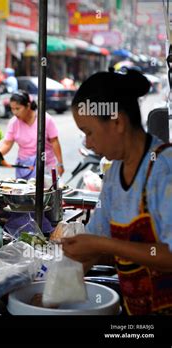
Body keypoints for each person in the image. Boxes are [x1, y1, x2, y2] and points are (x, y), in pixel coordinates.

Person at [61, 68, 172, 315]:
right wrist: (52, 298)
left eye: (89, 132)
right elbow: (93, 247)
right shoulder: (113, 174)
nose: (87, 143)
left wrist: (105, 245)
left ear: (118, 122)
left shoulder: (165, 168)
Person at [0, 90, 64, 179]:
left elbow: (54, 141)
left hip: (46, 166)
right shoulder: (13, 123)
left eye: (18, 108)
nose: (14, 112)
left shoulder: (45, 119)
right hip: (24, 167)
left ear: (28, 106)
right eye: (12, 109)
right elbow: (7, 144)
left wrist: (60, 164)